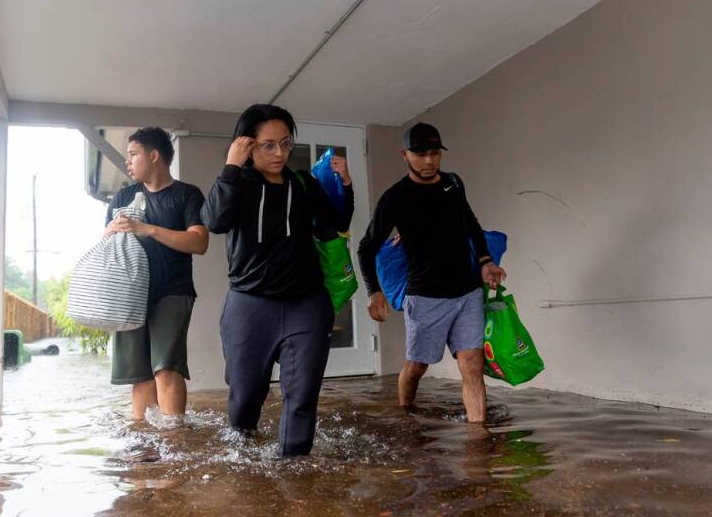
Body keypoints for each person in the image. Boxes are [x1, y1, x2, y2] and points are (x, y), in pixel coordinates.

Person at [201, 104, 354, 456]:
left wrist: (345, 185)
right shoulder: (235, 182)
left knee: (302, 395)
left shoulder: (302, 183)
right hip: (249, 306)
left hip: (306, 303)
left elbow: (337, 221)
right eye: (268, 145)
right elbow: (214, 221)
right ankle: (245, 467)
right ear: (247, 144)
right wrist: (230, 167)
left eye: (285, 144)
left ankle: (296, 479)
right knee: (245, 396)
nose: (279, 153)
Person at [356, 122, 505, 422]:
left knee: (472, 365)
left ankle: (479, 440)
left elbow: (470, 223)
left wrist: (486, 261)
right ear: (404, 154)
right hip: (425, 297)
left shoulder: (453, 184)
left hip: (467, 292)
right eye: (420, 153)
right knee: (417, 367)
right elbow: (366, 247)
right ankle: (406, 416)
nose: (429, 160)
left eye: (435, 153)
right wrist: (374, 291)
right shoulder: (395, 198)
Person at [104, 127, 208, 421]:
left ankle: (174, 442)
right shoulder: (122, 196)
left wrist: (146, 228)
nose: (128, 161)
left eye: (133, 154)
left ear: (154, 155)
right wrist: (111, 231)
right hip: (132, 295)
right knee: (140, 375)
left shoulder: (187, 195)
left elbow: (199, 242)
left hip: (173, 290)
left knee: (166, 368)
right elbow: (105, 243)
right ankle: (145, 454)